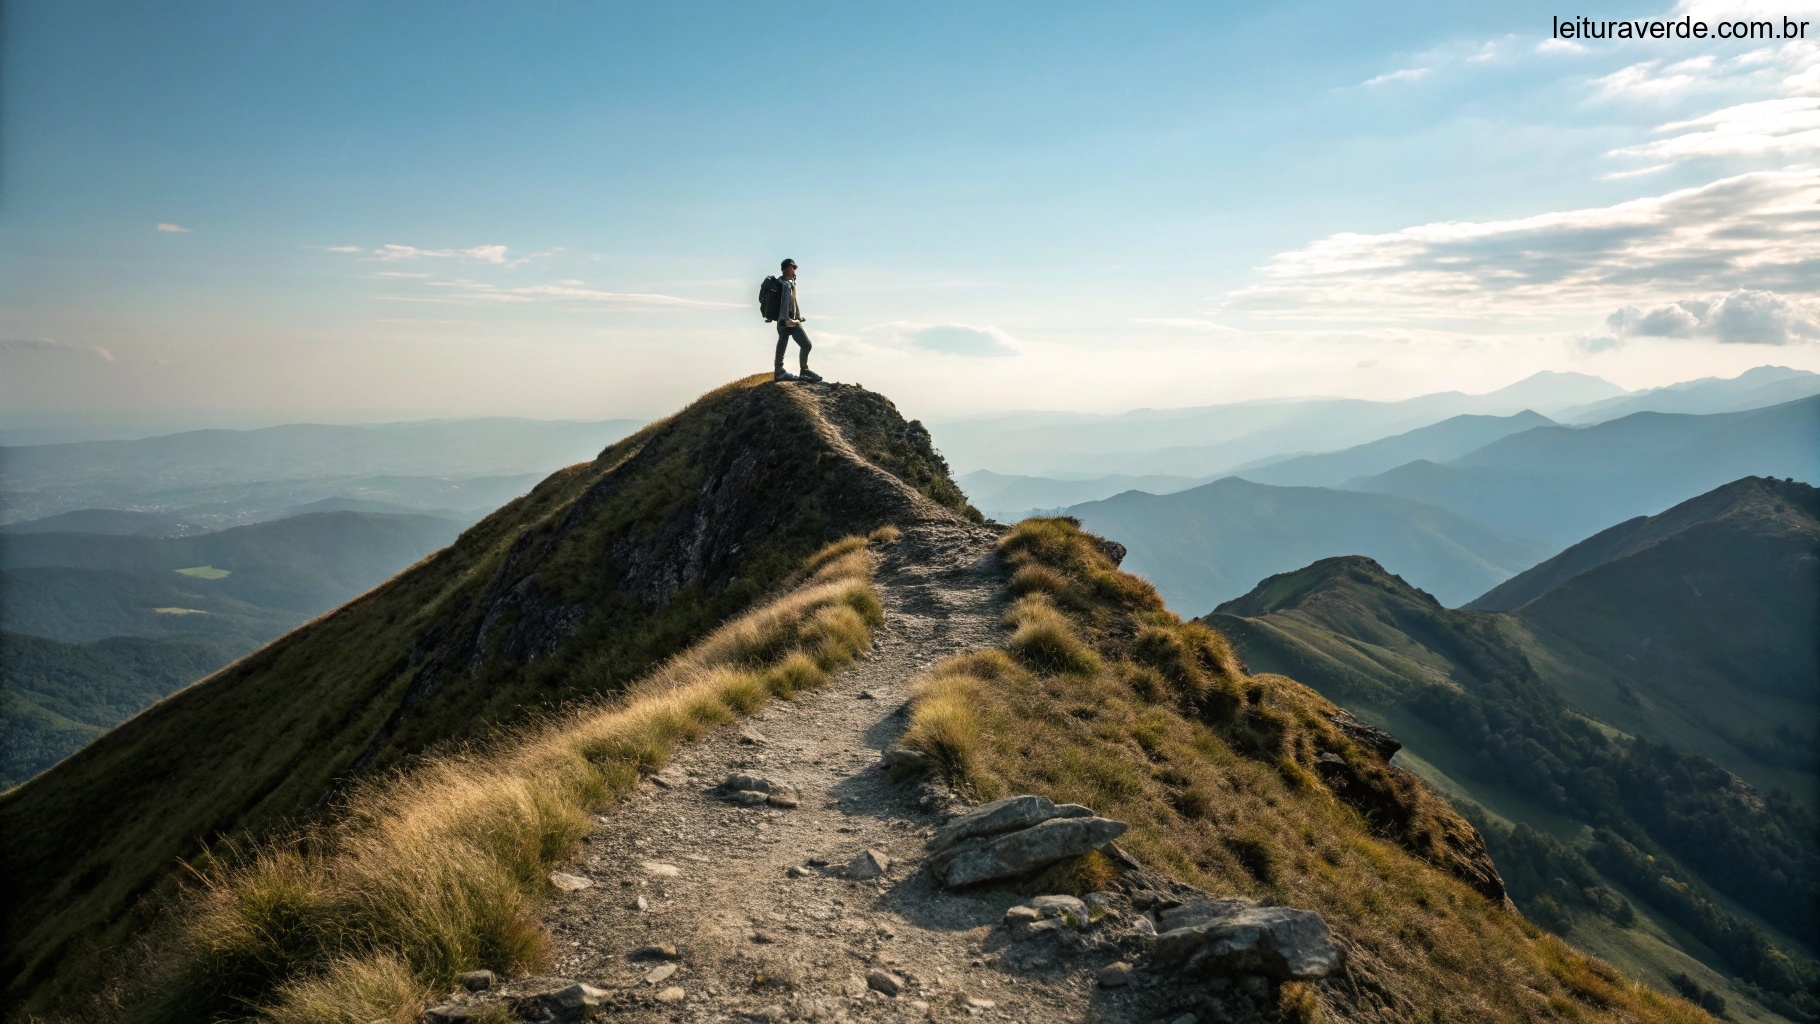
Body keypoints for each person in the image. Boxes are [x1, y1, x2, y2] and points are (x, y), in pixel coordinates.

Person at [772, 258, 822, 382]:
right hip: (786, 322)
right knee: (785, 344)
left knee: (804, 345)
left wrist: (798, 318)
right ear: (786, 268)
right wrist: (787, 320)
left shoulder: (789, 284)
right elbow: (784, 305)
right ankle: (780, 371)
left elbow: (793, 303)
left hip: (790, 321)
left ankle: (802, 370)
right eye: (793, 267)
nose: (795, 270)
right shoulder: (784, 285)